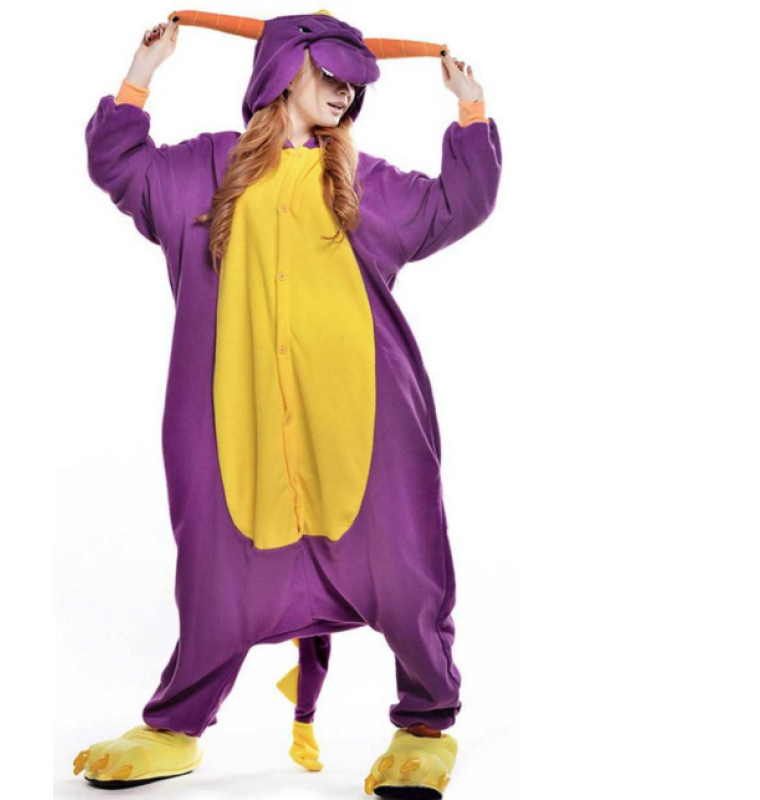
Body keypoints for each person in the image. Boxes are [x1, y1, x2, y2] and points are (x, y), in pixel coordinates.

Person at [73, 10, 502, 798]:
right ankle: (174, 728)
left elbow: (456, 204)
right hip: (234, 423)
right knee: (218, 578)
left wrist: (469, 108)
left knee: (403, 571)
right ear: (281, 73)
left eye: (354, 85)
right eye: (330, 76)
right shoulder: (205, 171)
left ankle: (424, 727)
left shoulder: (362, 182)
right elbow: (121, 168)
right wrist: (141, 77)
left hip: (367, 424)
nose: (343, 95)